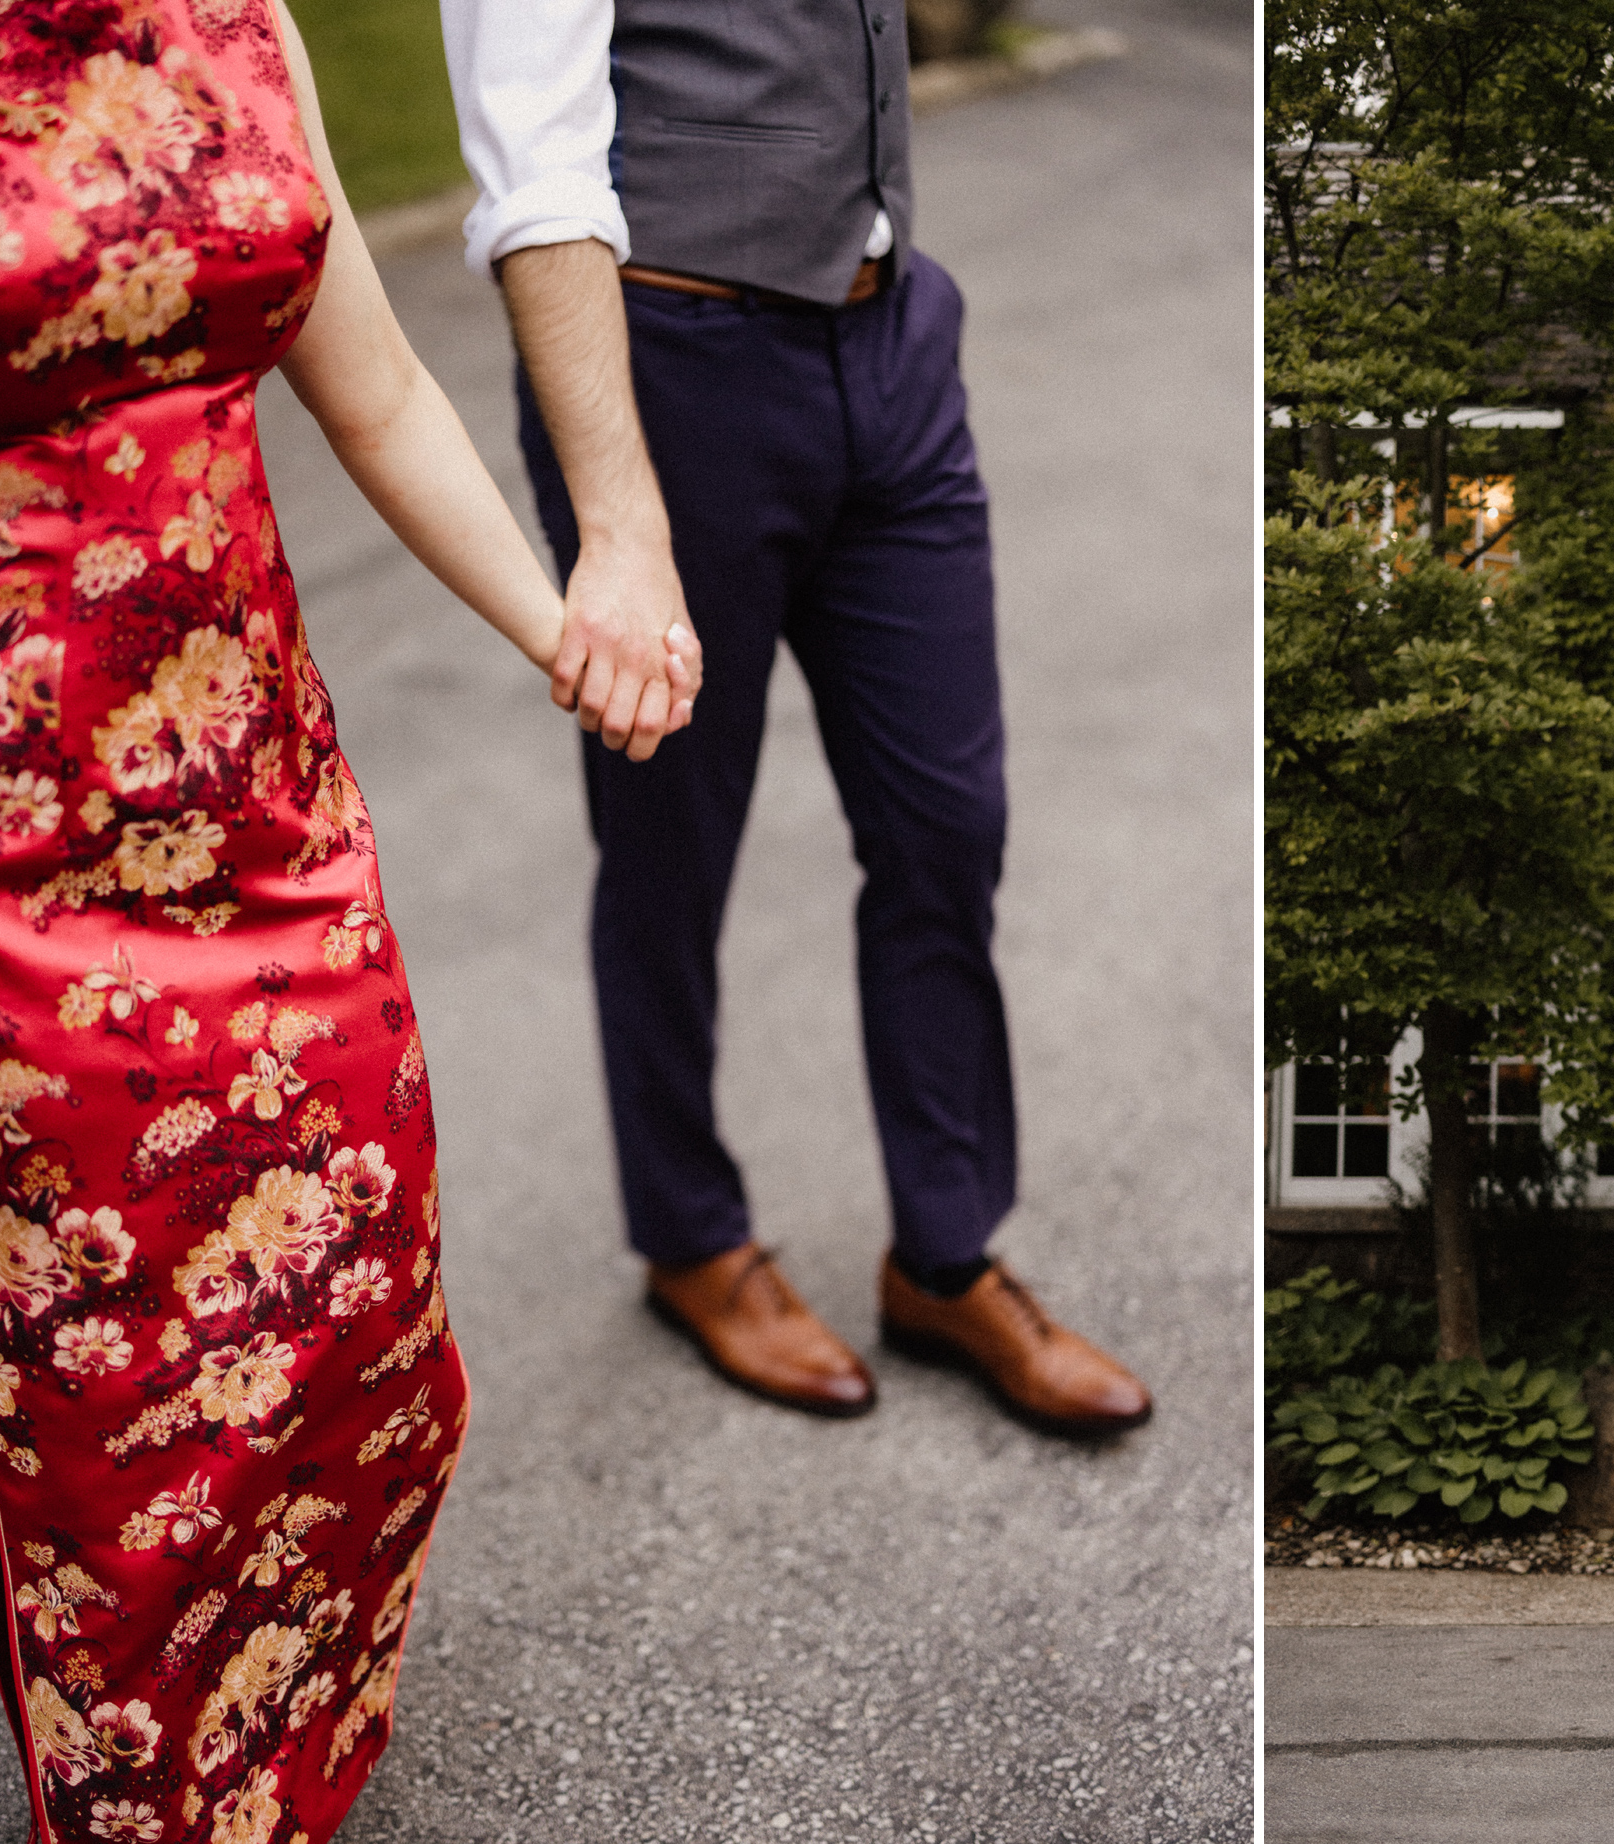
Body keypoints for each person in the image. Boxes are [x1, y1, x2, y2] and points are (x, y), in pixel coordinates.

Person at [0, 4, 693, 1844]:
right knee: (113, 1408)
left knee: (353, 1320)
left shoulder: (237, 19)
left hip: (257, 812)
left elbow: (370, 392)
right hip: (5, 868)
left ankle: (249, 1751)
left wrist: (567, 628)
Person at [436, 0, 1153, 1434]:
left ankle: (946, 1255)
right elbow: (536, 168)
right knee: (670, 839)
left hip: (891, 343)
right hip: (671, 362)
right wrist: (619, 525)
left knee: (951, 825)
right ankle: (692, 1237)